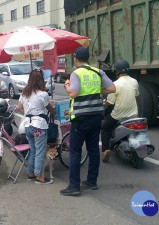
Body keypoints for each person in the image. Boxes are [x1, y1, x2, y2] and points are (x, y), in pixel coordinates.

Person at [60, 47, 116, 196]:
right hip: (96, 116)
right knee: (93, 150)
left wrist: (66, 84)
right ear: (89, 58)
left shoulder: (76, 74)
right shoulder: (98, 72)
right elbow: (112, 88)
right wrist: (98, 89)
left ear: (75, 58)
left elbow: (73, 92)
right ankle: (92, 182)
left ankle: (74, 187)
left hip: (81, 118)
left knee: (75, 151)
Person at [17, 69, 55, 184]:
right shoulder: (43, 94)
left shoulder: (24, 92)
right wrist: (53, 111)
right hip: (39, 126)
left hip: (28, 125)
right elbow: (50, 109)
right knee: (40, 151)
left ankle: (30, 173)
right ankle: (39, 176)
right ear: (41, 80)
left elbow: (19, 107)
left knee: (33, 150)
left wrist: (28, 114)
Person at [101, 59, 139, 162]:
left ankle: (106, 150)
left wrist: (103, 104)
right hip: (133, 115)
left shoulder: (115, 84)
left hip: (118, 115)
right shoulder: (134, 81)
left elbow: (110, 102)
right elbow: (136, 94)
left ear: (117, 71)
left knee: (105, 127)